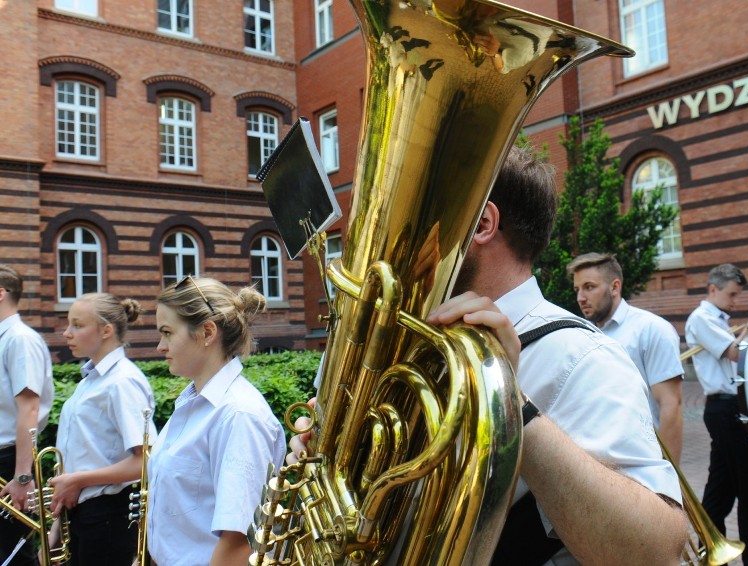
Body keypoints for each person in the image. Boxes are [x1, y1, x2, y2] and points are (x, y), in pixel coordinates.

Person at [289, 146, 688, 565]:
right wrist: (326, 466)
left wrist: (510, 401)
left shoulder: (582, 357)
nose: (387, 240)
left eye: (409, 216)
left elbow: (656, 553)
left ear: (481, 224)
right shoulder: (398, 342)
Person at [145, 276, 287, 566]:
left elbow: (240, 546)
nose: (160, 346)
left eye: (168, 332)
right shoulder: (194, 404)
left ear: (208, 332)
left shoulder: (238, 415)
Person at [45, 293, 156, 566]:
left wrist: (77, 481)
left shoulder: (121, 382)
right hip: (85, 514)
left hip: (108, 514)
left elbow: (147, 461)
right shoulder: (91, 380)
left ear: (106, 330)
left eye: (77, 325)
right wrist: (56, 528)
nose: (67, 333)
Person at [685, 263, 748, 566]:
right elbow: (735, 353)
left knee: (720, 489)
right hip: (725, 409)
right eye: (732, 294)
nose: (735, 301)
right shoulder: (701, 318)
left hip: (729, 408)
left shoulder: (716, 318)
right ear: (713, 289)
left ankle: (710, 550)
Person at [566, 252, 684, 462]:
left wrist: (670, 479)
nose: (580, 298)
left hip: (644, 462)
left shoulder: (652, 329)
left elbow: (670, 404)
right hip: (596, 461)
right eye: (577, 289)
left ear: (614, 287)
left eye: (589, 287)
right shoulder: (583, 333)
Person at [0, 264, 54, 566]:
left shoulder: (19, 339)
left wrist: (22, 476)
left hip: (10, 462)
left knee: (12, 556)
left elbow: (29, 407)